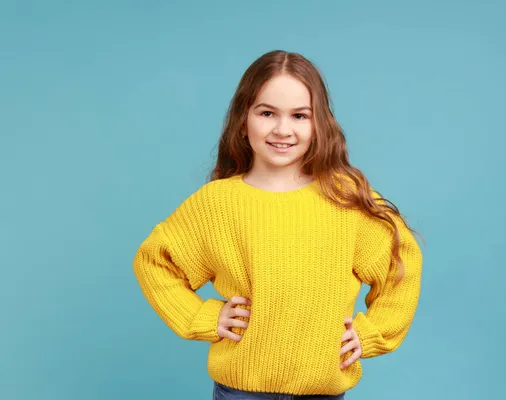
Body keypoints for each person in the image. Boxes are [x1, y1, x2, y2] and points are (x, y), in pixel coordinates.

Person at [132, 50, 423, 400]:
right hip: (241, 392)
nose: (282, 129)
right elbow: (154, 262)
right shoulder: (217, 204)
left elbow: (399, 264)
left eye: (300, 115)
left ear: (319, 124)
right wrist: (203, 317)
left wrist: (374, 331)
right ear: (243, 120)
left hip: (322, 392)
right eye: (267, 113)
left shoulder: (344, 199)